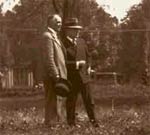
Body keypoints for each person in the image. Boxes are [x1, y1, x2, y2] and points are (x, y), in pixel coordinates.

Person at [62, 18, 99, 127]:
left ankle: (94, 122)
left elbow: (88, 56)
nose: (78, 31)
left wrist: (89, 66)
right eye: (75, 29)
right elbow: (61, 62)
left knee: (89, 101)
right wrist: (76, 64)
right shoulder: (62, 44)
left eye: (78, 29)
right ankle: (71, 124)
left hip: (84, 77)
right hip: (71, 78)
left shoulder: (81, 41)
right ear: (67, 30)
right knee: (71, 102)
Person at [41, 14, 67, 125]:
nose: (60, 24)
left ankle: (57, 124)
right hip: (53, 75)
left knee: (58, 100)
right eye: (57, 22)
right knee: (52, 100)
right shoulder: (47, 36)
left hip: (59, 73)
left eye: (60, 22)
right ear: (50, 22)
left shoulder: (55, 36)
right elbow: (49, 58)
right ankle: (51, 125)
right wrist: (55, 74)